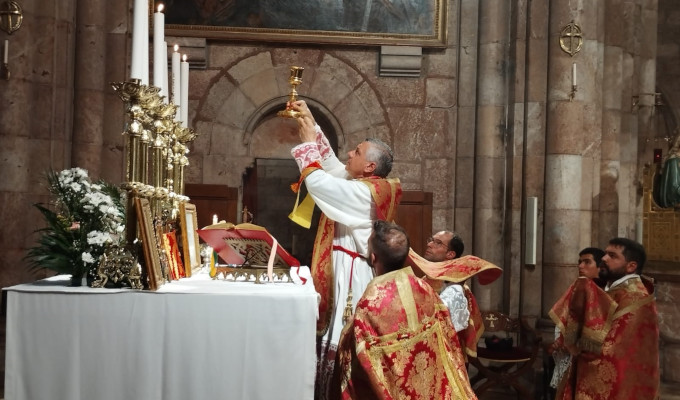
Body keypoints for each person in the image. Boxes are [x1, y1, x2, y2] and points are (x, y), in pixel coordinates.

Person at [287, 100, 402, 399]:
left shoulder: (366, 193)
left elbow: (321, 183)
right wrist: (311, 122)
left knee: (343, 344)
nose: (349, 153)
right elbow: (332, 168)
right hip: (340, 269)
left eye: (357, 152)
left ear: (370, 167)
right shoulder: (361, 182)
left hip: (351, 279)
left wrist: (306, 144)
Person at [332, 220, 477, 399]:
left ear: (373, 258)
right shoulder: (426, 290)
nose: (431, 244)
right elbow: (449, 342)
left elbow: (354, 360)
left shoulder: (370, 304)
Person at [550, 238, 660, 399]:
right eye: (605, 254)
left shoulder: (635, 298)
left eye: (612, 256)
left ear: (631, 266)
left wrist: (576, 342)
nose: (604, 258)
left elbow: (612, 350)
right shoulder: (614, 290)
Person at [413, 231, 488, 359]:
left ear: (450, 254)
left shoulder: (457, 288)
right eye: (431, 240)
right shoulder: (424, 280)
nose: (430, 244)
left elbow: (449, 326)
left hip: (445, 353)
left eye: (438, 243)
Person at [549, 246, 606, 392]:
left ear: (600, 267)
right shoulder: (577, 288)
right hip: (571, 352)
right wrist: (561, 338)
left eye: (587, 262)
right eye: (579, 262)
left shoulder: (608, 293)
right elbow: (567, 318)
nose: (580, 266)